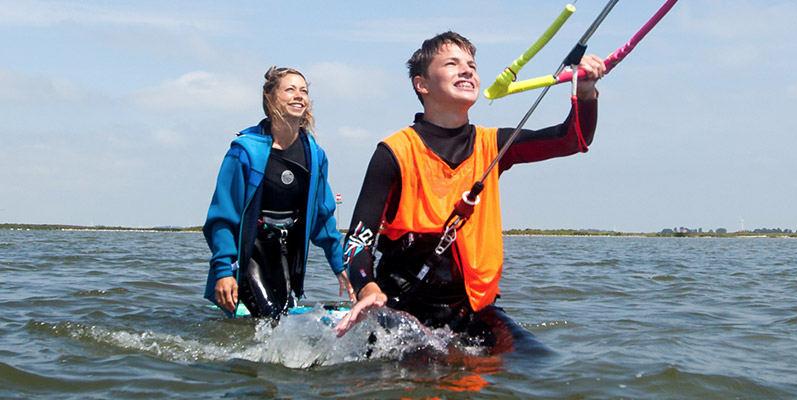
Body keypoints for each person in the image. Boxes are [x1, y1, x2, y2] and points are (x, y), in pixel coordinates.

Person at [333, 31, 606, 348]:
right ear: (421, 84)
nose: (467, 71)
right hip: (404, 311)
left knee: (538, 364)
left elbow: (572, 139)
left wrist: (586, 94)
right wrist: (367, 289)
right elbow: (356, 242)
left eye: (472, 66)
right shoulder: (394, 153)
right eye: (452, 63)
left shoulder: (494, 144)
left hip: (473, 310)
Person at [203, 66, 354, 318]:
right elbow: (222, 218)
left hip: (283, 251)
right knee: (272, 320)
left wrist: (341, 267)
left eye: (304, 91)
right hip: (249, 251)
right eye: (290, 89)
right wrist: (223, 271)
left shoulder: (314, 155)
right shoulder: (245, 152)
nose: (299, 95)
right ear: (271, 97)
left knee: (282, 319)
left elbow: (323, 218)